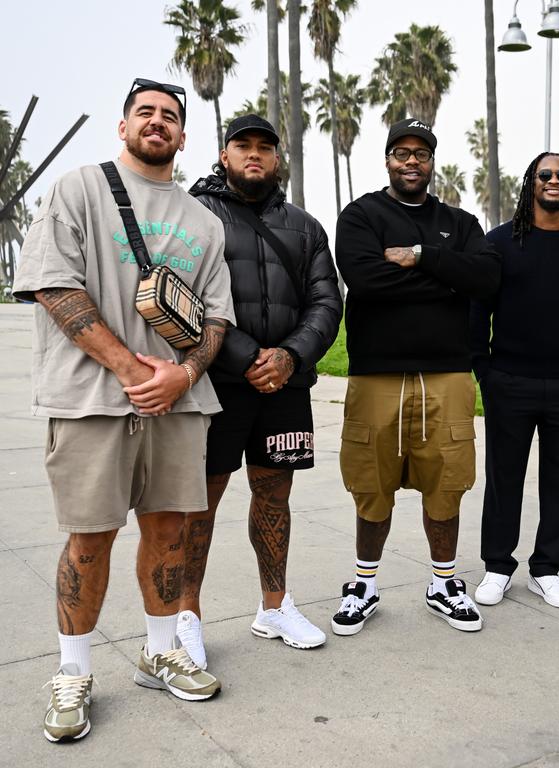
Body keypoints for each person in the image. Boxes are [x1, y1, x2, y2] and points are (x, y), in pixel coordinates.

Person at [13, 78, 234, 743]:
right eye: (146, 112)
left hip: (180, 404)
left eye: (170, 116)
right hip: (91, 404)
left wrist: (186, 372)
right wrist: (135, 371)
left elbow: (217, 318)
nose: (157, 122)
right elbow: (54, 285)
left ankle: (160, 648)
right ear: (124, 125)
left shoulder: (205, 221)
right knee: (90, 537)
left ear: (184, 135)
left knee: (170, 533)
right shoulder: (80, 187)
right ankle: (73, 672)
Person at [172, 114, 343, 665]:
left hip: (285, 385)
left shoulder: (305, 225)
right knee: (202, 502)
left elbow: (326, 301)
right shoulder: (195, 215)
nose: (254, 155)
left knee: (274, 495)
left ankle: (274, 606)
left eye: (264, 148)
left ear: (277, 158)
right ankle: (186, 617)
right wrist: (247, 357)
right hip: (216, 384)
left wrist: (291, 356)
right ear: (223, 155)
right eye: (242, 146)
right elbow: (183, 298)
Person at [332, 118, 501, 634]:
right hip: (376, 373)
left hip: (447, 373)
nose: (411, 161)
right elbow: (363, 278)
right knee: (371, 483)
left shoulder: (459, 221)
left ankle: (444, 583)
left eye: (421, 153)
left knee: (446, 482)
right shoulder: (362, 215)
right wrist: (447, 279)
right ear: (387, 159)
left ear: (432, 162)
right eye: (401, 152)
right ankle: (364, 583)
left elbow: (486, 278)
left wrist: (423, 257)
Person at [470, 152, 559, 609]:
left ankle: (546, 569)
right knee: (503, 477)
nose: (553, 181)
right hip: (509, 380)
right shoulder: (498, 243)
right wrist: (485, 371)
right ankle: (497, 566)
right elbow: (478, 313)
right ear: (531, 182)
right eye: (544, 174)